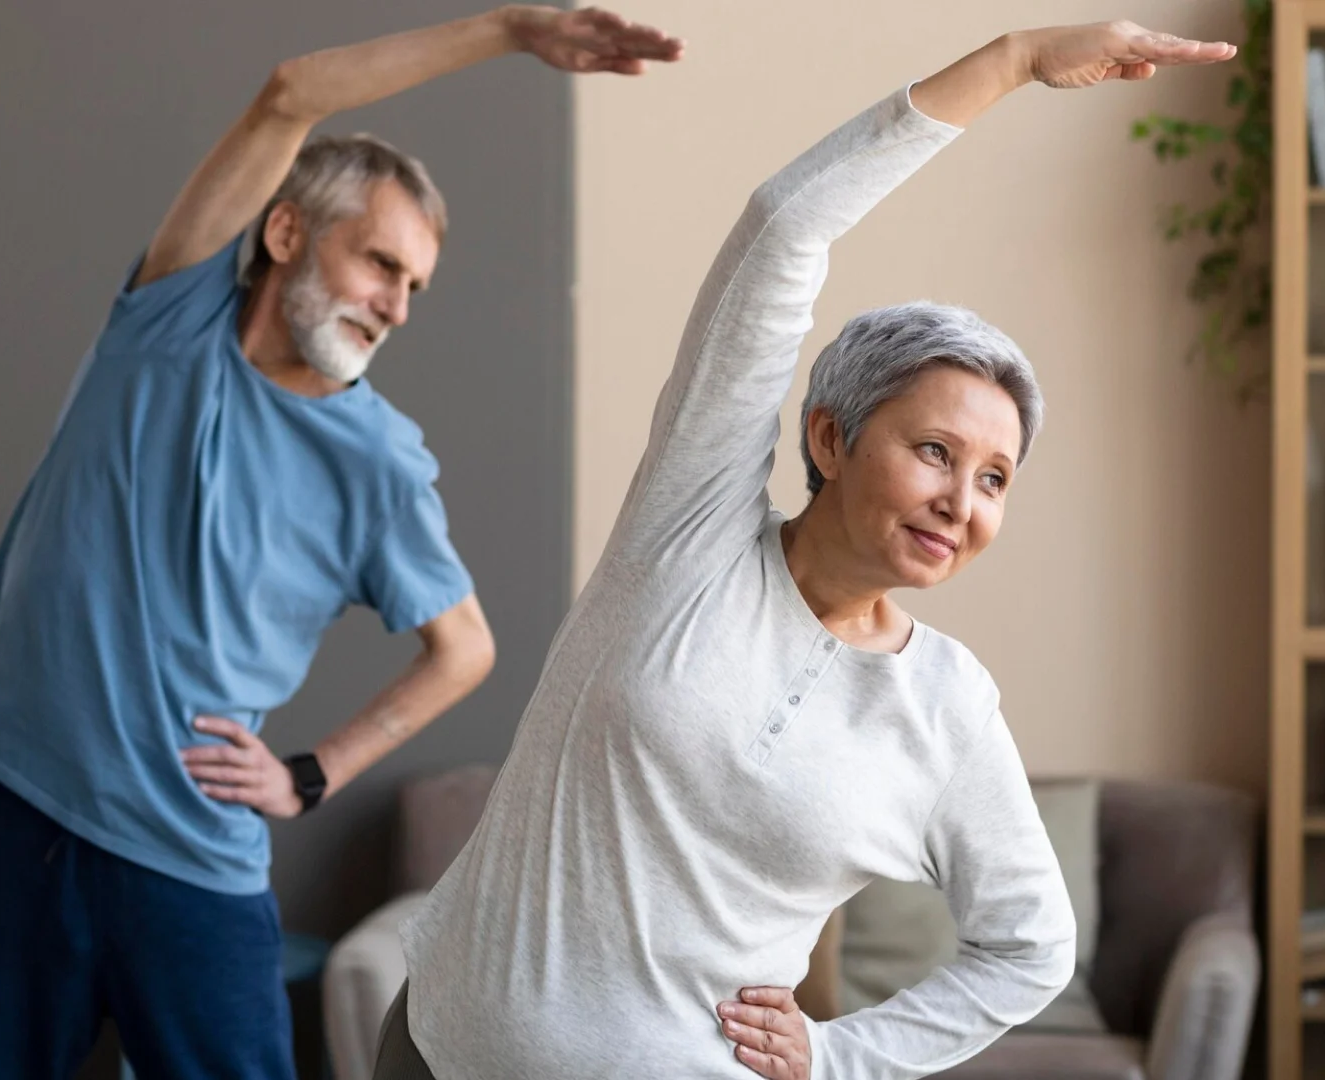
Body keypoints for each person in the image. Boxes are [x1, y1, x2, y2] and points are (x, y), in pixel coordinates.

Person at [381, 19, 1236, 1080]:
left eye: (995, 479)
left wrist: (839, 1057)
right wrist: (1012, 62)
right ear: (830, 439)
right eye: (935, 451)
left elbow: (1031, 948)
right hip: (437, 1053)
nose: (960, 501)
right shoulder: (689, 534)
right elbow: (784, 229)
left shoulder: (946, 707)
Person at [0, 8, 682, 1078]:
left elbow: (465, 648)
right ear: (285, 234)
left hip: (187, 855)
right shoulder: (169, 320)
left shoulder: (380, 463)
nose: (397, 306)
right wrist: (511, 30)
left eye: (414, 286)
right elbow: (291, 93)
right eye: (380, 264)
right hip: (13, 806)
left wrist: (312, 775)